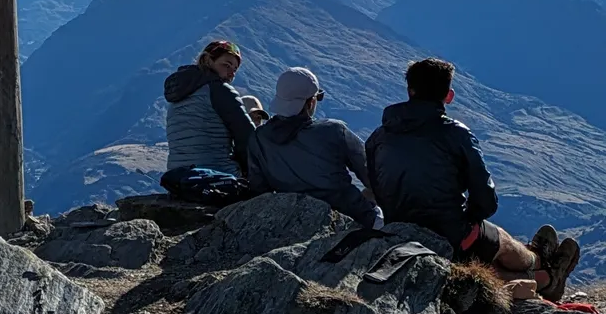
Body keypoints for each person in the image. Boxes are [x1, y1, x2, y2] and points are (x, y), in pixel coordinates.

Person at [367, 57, 579, 300]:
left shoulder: (377, 138)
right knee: (498, 238)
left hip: (398, 231)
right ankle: (540, 264)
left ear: (410, 91)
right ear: (449, 95)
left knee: (476, 265)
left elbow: (376, 188)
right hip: (450, 232)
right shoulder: (455, 133)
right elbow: (486, 200)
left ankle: (545, 278)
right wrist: (470, 218)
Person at [243, 67, 382, 228]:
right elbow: (372, 176)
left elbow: (259, 189)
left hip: (296, 223)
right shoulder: (334, 131)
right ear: (311, 102)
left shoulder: (258, 138)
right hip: (354, 217)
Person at [160, 38, 267, 205]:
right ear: (207, 60)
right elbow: (247, 137)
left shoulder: (179, 95)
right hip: (216, 174)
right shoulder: (218, 90)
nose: (231, 72)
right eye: (226, 65)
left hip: (179, 177)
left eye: (235, 69)